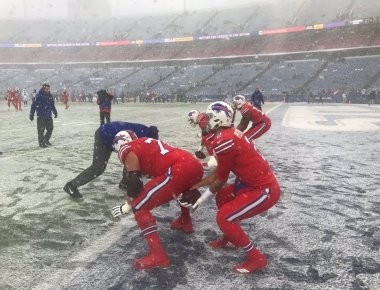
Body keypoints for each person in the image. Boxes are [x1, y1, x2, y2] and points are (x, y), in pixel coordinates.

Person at [184, 101, 281, 274]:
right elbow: (219, 174)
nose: (207, 120)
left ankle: (257, 257)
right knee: (222, 197)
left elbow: (220, 177)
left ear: (218, 119)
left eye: (210, 116)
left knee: (224, 218)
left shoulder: (224, 140)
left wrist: (201, 198)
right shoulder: (227, 134)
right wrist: (196, 186)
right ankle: (228, 237)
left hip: (263, 189)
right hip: (248, 183)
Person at [111, 134, 203, 270]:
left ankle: (157, 255)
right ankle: (185, 220)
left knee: (139, 206)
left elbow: (134, 182)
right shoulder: (144, 143)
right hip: (192, 163)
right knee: (176, 187)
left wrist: (129, 204)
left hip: (178, 168)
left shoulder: (126, 148)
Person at [63, 121, 159, 198]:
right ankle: (71, 186)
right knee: (98, 167)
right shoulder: (140, 138)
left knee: (131, 158)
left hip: (110, 132)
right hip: (104, 135)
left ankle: (125, 183)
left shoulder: (145, 131)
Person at [29, 84, 58, 148]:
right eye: (47, 89)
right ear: (43, 88)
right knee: (41, 130)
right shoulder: (38, 96)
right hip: (41, 116)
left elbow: (52, 105)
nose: (48, 90)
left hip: (48, 115)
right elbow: (33, 105)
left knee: (50, 128)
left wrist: (55, 112)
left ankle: (46, 140)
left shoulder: (50, 96)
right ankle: (41, 143)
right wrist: (31, 114)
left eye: (48, 89)